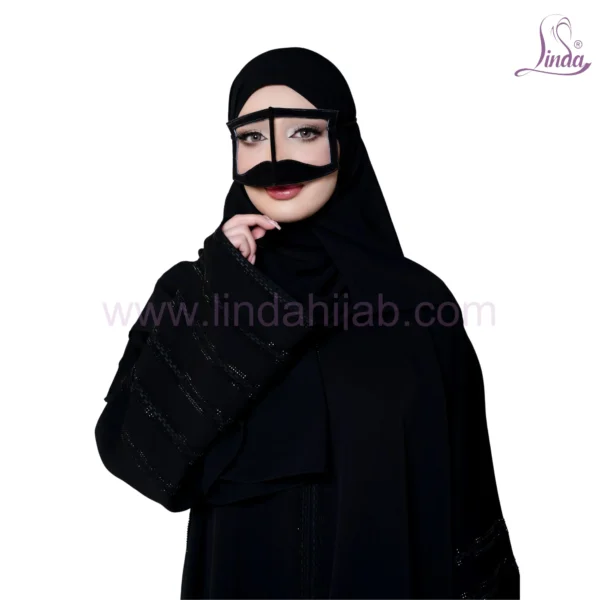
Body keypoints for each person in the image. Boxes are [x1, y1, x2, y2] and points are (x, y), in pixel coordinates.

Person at [94, 47, 520, 599]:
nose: (277, 162)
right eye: (253, 137)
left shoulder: (419, 304)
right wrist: (223, 293)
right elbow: (138, 457)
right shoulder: (194, 292)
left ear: (343, 140)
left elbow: (466, 493)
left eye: (303, 133)